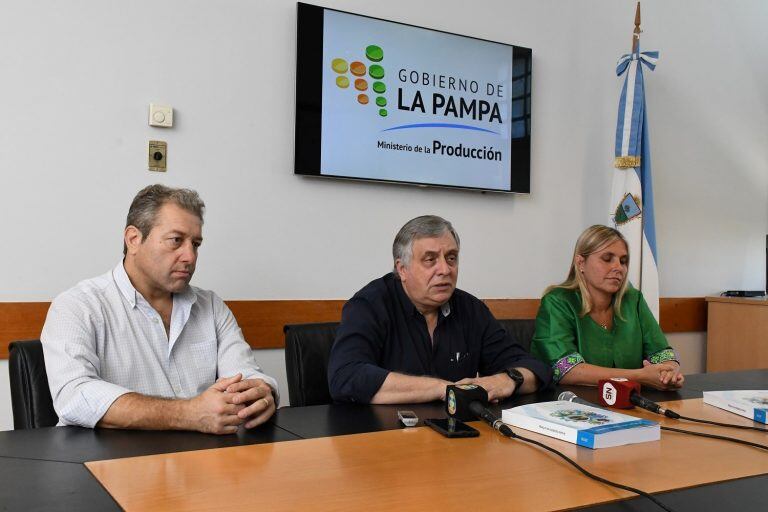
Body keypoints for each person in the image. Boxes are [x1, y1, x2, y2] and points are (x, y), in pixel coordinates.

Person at [41, 184, 278, 434]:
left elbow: (245, 374)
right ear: (134, 239)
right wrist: (188, 413)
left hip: (203, 460)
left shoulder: (210, 306)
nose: (190, 257)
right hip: (110, 463)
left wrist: (262, 390)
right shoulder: (78, 305)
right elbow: (75, 396)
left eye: (195, 244)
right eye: (176, 240)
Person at [328, 215, 551, 404]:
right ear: (402, 269)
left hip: (455, 438)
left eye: (451, 258)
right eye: (430, 260)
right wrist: (441, 388)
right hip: (381, 439)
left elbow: (535, 369)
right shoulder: (369, 306)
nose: (445, 269)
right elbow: (346, 377)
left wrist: (508, 380)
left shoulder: (471, 309)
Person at [530, 225, 683, 389]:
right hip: (570, 404)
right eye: (607, 258)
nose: (618, 268)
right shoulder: (557, 301)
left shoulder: (633, 300)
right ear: (581, 262)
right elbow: (567, 371)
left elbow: (662, 354)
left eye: (623, 261)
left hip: (628, 403)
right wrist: (640, 376)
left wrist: (669, 372)